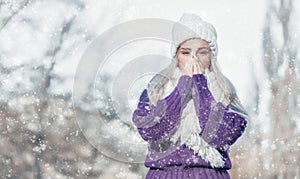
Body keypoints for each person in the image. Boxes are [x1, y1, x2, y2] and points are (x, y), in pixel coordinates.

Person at [132, 13, 248, 179]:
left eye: (202, 52)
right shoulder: (156, 89)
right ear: (176, 56)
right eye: (186, 53)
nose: (194, 59)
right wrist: (183, 87)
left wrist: (201, 86)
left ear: (211, 56)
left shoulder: (226, 92)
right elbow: (152, 131)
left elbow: (219, 136)